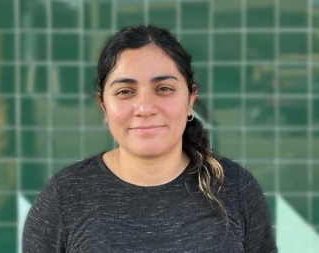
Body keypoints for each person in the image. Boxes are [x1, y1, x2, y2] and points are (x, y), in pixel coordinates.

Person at [23, 25, 277, 252]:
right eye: (125, 91)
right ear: (104, 106)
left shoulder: (236, 188)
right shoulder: (65, 196)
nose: (145, 107)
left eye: (164, 89)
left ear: (190, 100)